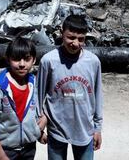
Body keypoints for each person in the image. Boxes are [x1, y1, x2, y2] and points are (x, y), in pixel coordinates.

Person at [36, 15, 103, 160]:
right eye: (70, 37)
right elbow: (38, 95)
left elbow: (97, 97)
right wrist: (38, 128)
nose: (75, 43)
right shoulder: (49, 61)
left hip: (85, 130)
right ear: (61, 33)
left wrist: (97, 128)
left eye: (81, 39)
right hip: (57, 130)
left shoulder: (93, 62)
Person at [0, 36, 47, 160]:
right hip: (5, 149)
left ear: (34, 60)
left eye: (27, 59)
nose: (22, 64)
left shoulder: (34, 84)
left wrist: (38, 133)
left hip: (29, 148)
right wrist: (0, 154)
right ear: (8, 59)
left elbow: (32, 115)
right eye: (17, 59)